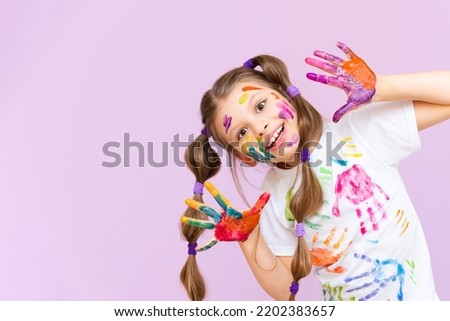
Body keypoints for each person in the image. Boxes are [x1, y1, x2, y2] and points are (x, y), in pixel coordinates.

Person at [179, 42, 450, 301]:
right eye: (241, 132)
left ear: (284, 91)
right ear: (243, 156)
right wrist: (250, 242)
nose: (259, 127)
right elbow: (287, 290)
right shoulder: (270, 199)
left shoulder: (359, 132)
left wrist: (383, 87)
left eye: (260, 106)